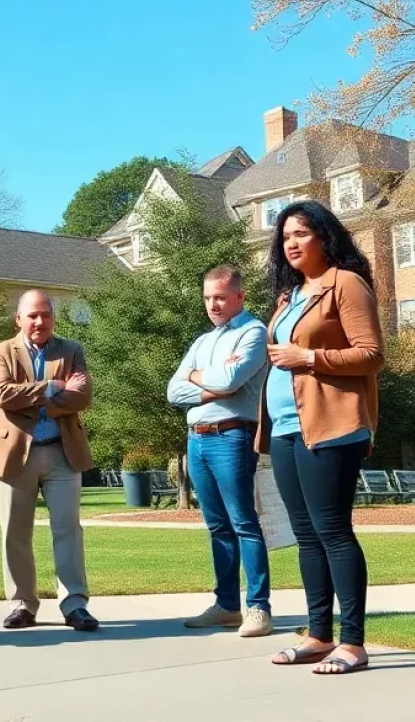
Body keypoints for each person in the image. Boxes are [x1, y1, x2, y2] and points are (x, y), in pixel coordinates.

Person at [258, 201, 383, 676]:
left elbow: (371, 355)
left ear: (324, 237)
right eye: (285, 236)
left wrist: (308, 358)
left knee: (332, 530)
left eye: (302, 233)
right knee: (306, 535)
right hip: (287, 428)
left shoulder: (345, 284)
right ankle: (318, 635)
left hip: (332, 426)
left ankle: (353, 642)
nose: (291, 243)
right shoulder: (290, 296)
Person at [167, 265, 272, 638]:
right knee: (217, 527)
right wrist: (208, 384)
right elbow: (172, 390)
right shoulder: (202, 341)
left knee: (244, 523)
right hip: (197, 438)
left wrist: (198, 376)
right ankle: (227, 606)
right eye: (208, 298)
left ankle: (258, 608)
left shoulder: (254, 332)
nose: (213, 304)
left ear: (239, 297)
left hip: (232, 437)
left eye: (221, 298)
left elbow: (231, 381)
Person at [0, 290, 98, 631]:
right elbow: (2, 395)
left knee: (68, 529)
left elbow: (83, 395)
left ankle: (75, 604)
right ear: (18, 319)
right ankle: (22, 604)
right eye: (32, 315)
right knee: (15, 532)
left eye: (45, 315)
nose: (39, 322)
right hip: (13, 454)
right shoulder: (0, 351)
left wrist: (39, 402)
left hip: (62, 452)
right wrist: (53, 387)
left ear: (53, 318)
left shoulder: (71, 350)